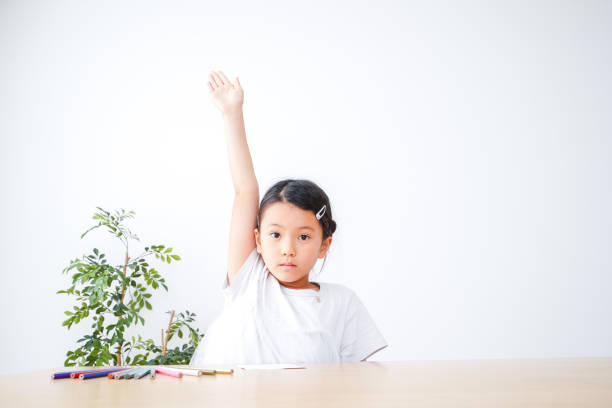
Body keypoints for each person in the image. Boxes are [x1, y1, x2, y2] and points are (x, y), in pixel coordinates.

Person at [189, 70, 387, 365]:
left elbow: (359, 380)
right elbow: (245, 190)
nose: (288, 248)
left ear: (324, 244)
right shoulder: (249, 278)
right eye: (275, 234)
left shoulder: (342, 303)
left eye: (304, 236)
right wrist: (233, 114)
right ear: (257, 239)